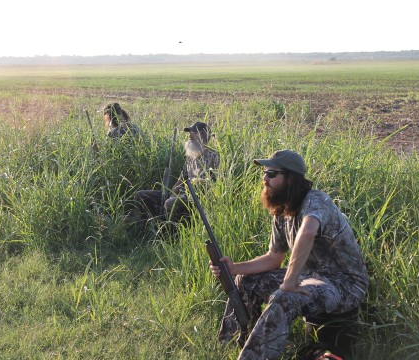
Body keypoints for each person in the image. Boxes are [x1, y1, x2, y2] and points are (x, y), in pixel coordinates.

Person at [209, 149, 369, 360]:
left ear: (291, 178)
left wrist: (290, 282)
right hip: (312, 279)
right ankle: (231, 344)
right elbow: (274, 258)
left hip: (344, 285)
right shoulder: (283, 210)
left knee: (286, 295)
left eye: (272, 173)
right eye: (264, 172)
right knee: (245, 280)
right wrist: (235, 268)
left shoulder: (316, 201)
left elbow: (308, 231)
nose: (264, 178)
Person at [132, 121, 220, 225]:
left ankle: (170, 233)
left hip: (197, 197)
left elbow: (217, 182)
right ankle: (150, 226)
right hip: (181, 194)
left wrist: (199, 182)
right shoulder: (191, 156)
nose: (189, 135)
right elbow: (181, 178)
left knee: (170, 203)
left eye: (193, 132)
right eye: (189, 132)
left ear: (204, 136)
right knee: (141, 195)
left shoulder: (214, 156)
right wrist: (172, 194)